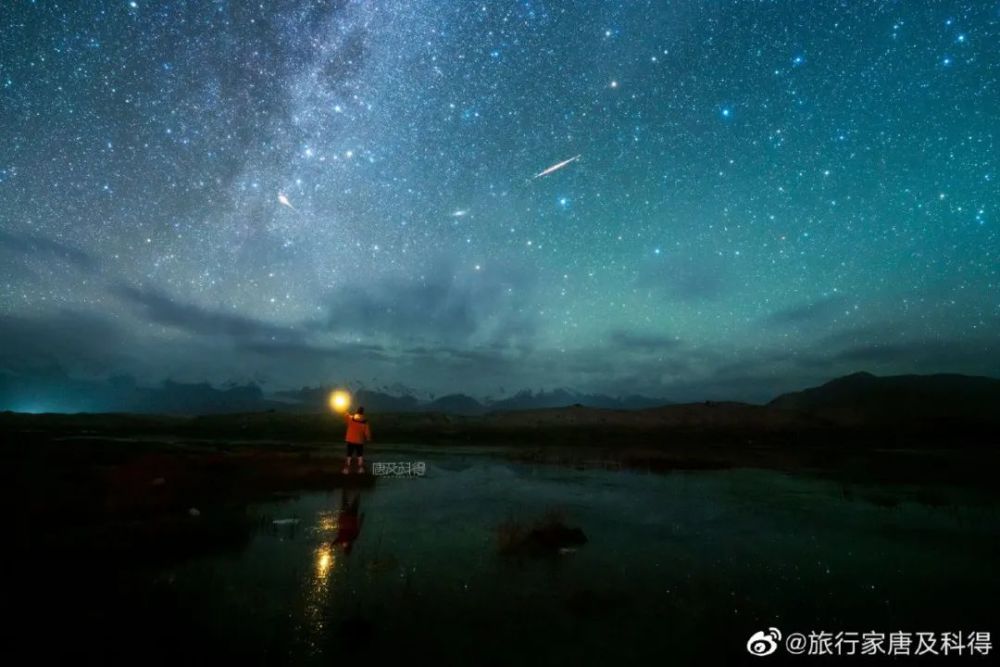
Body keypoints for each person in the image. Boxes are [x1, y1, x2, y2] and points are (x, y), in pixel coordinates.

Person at [342, 405, 372, 474]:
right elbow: (367, 432)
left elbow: (346, 416)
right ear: (363, 413)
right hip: (359, 441)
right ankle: (361, 469)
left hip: (350, 439)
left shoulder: (351, 418)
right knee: (360, 455)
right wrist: (368, 438)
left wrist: (345, 410)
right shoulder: (365, 422)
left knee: (349, 455)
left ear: (357, 411)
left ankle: (346, 469)